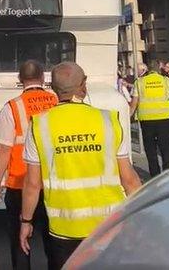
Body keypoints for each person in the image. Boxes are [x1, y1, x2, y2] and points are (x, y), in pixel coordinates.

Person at [19, 63, 141, 269]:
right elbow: (129, 179)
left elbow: (32, 184)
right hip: (108, 226)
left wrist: (26, 222)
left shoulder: (39, 125)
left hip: (64, 229)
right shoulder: (108, 120)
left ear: (53, 89)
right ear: (83, 86)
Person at [0, 60, 58, 270]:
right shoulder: (57, 103)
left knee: (20, 242)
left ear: (20, 80)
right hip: (53, 183)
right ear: (43, 78)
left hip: (21, 183)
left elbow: (4, 149)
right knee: (54, 242)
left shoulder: (13, 107)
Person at [129, 62, 169, 177]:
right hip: (164, 118)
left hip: (147, 119)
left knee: (150, 150)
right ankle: (167, 174)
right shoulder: (166, 80)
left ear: (147, 70)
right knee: (165, 147)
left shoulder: (139, 82)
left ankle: (155, 175)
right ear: (159, 69)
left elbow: (134, 103)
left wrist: (129, 116)